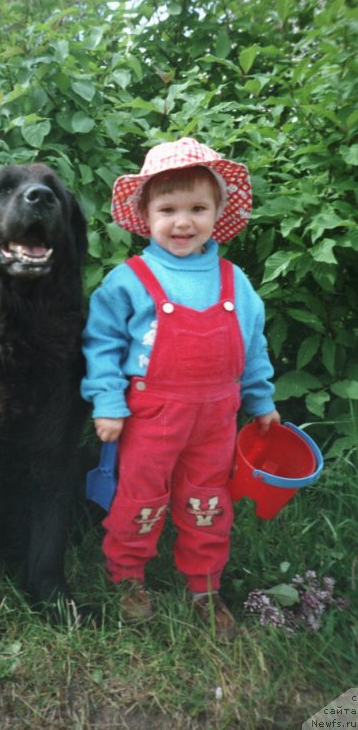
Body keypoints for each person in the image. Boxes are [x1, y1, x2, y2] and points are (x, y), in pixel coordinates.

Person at [81, 137, 280, 637]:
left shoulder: (235, 281)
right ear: (145, 215)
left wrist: (261, 399)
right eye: (168, 210)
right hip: (151, 417)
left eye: (197, 209)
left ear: (217, 213)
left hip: (216, 419)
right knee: (140, 496)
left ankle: (204, 584)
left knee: (208, 501)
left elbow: (253, 346)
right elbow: (101, 345)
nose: (183, 222)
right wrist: (107, 402)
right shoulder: (128, 280)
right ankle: (128, 575)